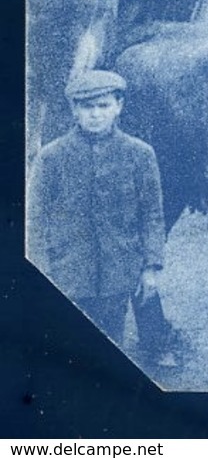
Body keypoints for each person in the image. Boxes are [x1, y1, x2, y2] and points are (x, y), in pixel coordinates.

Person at [27, 71, 180, 368]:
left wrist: (151, 267)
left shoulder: (140, 155)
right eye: (87, 107)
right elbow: (34, 220)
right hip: (68, 276)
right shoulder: (51, 158)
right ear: (74, 110)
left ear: (118, 106)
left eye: (103, 106)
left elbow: (152, 216)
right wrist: (42, 273)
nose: (95, 115)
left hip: (118, 276)